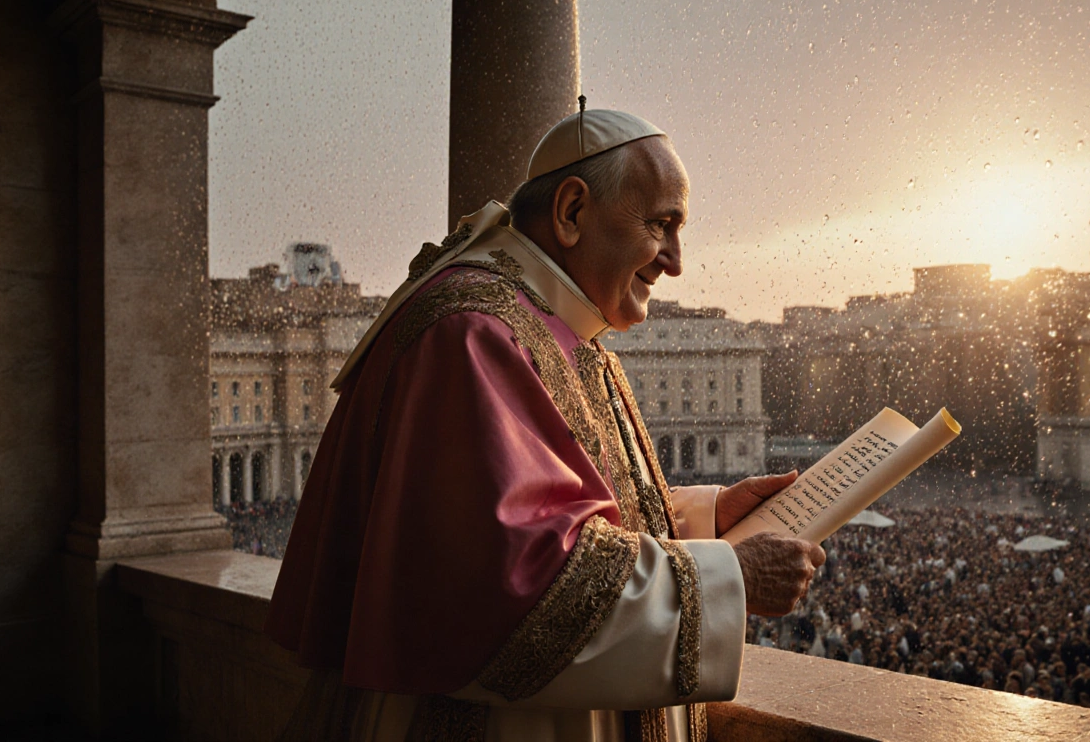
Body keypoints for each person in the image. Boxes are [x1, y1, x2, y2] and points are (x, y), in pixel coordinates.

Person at [264, 105, 826, 742]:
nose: (674, 261)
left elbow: (563, 515)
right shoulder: (474, 332)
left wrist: (709, 515)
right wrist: (734, 576)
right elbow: (523, 586)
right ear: (572, 212)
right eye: (661, 225)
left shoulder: (550, 328)